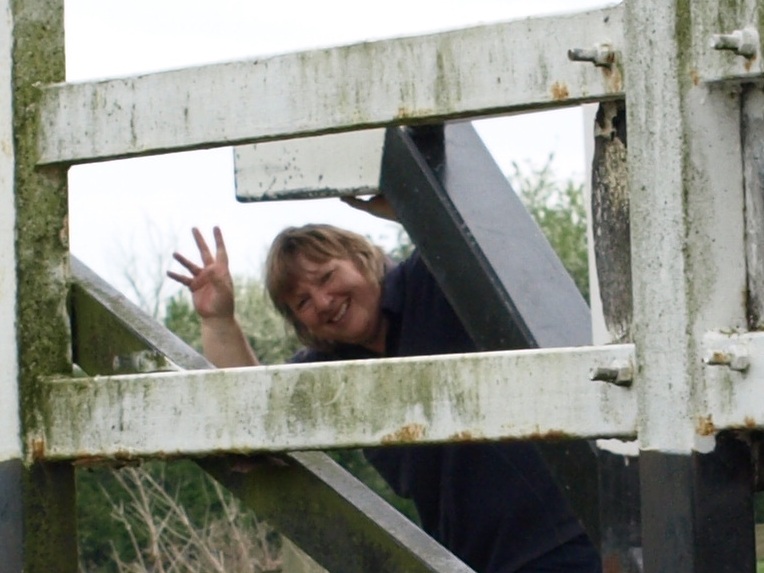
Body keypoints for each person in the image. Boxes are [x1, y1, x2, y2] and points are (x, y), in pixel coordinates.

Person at [167, 197, 602, 573]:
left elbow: (492, 238)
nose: (323, 301)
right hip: (471, 562)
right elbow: (253, 416)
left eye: (327, 277)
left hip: (570, 539)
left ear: (361, 258)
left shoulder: (431, 280)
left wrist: (409, 205)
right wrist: (218, 319)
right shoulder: (328, 371)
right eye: (302, 302)